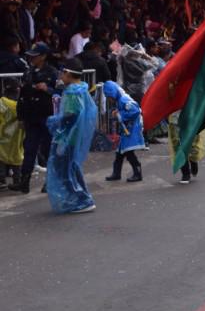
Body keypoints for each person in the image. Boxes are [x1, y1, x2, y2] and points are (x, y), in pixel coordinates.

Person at [45, 58, 98, 215]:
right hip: (72, 138)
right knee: (71, 168)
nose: (60, 75)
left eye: (62, 72)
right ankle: (79, 198)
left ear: (67, 73)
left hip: (67, 138)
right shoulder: (81, 89)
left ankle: (82, 200)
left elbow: (71, 114)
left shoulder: (72, 92)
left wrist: (57, 121)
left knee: (65, 170)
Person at [10, 42, 57, 194]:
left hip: (47, 116)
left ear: (43, 56)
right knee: (29, 149)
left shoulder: (52, 73)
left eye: (35, 56)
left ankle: (50, 181)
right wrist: (21, 116)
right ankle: (24, 182)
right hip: (31, 116)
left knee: (48, 149)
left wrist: (48, 89)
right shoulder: (28, 72)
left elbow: (60, 93)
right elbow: (22, 96)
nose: (31, 58)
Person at [102, 81, 144, 182]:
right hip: (126, 131)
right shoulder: (121, 99)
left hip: (131, 130)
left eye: (109, 97)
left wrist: (120, 114)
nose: (109, 99)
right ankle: (116, 173)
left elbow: (135, 111)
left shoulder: (123, 99)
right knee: (120, 153)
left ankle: (137, 173)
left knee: (128, 152)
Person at [0, 80, 24, 190]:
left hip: (3, 136)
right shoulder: (20, 106)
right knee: (17, 158)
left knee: (1, 157)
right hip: (17, 136)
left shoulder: (1, 103)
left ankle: (1, 180)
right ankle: (17, 180)